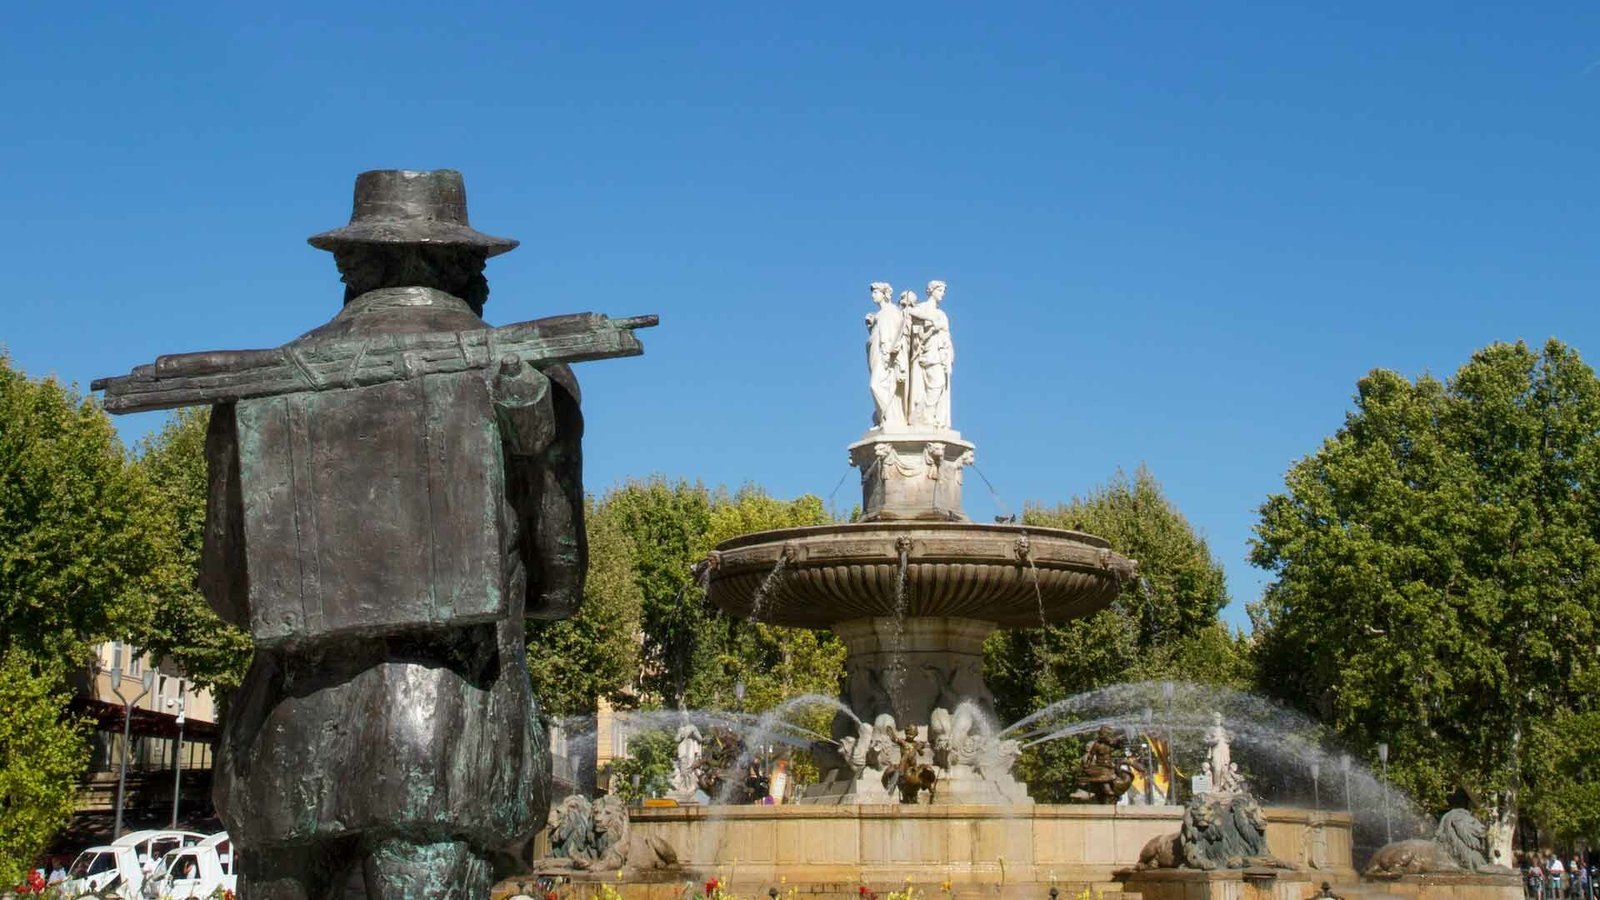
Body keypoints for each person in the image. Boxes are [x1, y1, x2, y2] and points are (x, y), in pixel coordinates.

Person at [199, 171, 590, 897]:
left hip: (283, 752)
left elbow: (228, 595)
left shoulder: (255, 390)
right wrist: (536, 454)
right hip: (445, 749)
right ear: (471, 272)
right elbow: (557, 588)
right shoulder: (531, 379)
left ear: (350, 269)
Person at [903, 280, 953, 428]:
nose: (942, 295)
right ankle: (925, 415)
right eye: (940, 291)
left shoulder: (942, 313)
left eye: (943, 291)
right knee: (936, 384)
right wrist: (931, 320)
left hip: (940, 352)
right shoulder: (923, 308)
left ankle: (927, 414)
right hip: (927, 353)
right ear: (931, 291)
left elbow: (945, 332)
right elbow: (909, 313)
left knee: (939, 384)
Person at [865, 282, 908, 429]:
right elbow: (877, 336)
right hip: (877, 354)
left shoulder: (890, 311)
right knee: (879, 385)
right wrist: (872, 326)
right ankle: (884, 418)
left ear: (884, 294)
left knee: (876, 385)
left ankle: (890, 417)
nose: (873, 295)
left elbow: (894, 335)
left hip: (885, 356)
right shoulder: (880, 314)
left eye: (876, 292)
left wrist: (888, 353)